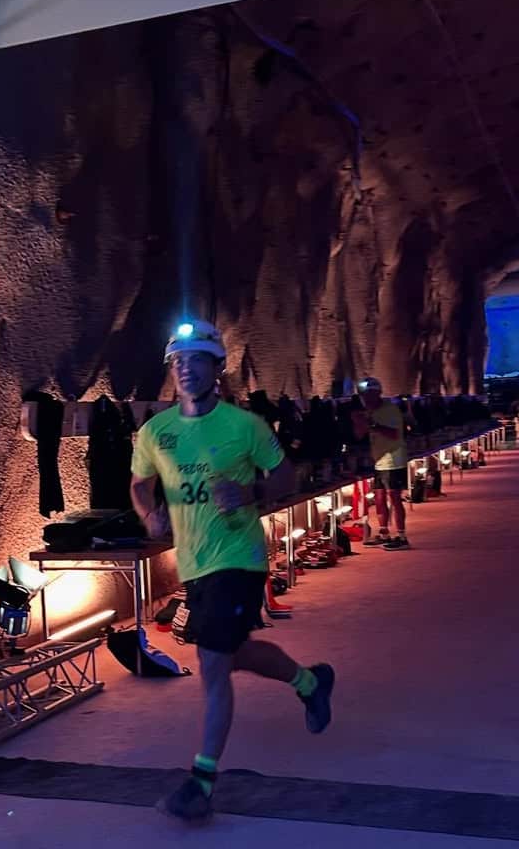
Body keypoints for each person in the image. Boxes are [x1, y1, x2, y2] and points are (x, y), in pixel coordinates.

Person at [130, 319, 334, 824]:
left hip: (239, 557)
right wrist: (148, 511)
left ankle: (201, 783)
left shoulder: (245, 427)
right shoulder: (157, 432)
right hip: (195, 563)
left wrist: (249, 493)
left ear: (216, 368)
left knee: (213, 663)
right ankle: (309, 682)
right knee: (233, 653)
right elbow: (139, 483)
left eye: (196, 358)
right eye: (178, 360)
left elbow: (286, 474)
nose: (185, 368)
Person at [352, 376, 410, 550]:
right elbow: (359, 435)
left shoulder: (389, 410)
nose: (366, 398)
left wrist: (371, 424)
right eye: (363, 395)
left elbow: (393, 434)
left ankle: (401, 536)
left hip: (393, 458)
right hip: (378, 460)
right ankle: (384, 532)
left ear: (377, 393)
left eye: (369, 394)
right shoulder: (369, 412)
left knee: (394, 496)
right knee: (378, 497)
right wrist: (359, 422)